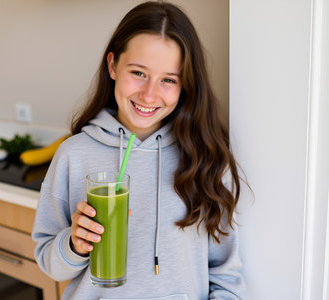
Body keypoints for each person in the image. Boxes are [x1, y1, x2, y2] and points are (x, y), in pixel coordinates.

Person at [32, 1, 247, 299]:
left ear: (185, 85)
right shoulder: (73, 155)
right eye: (138, 72)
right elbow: (49, 262)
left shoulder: (205, 157)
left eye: (168, 80)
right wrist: (73, 243)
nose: (149, 94)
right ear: (112, 66)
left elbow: (226, 275)